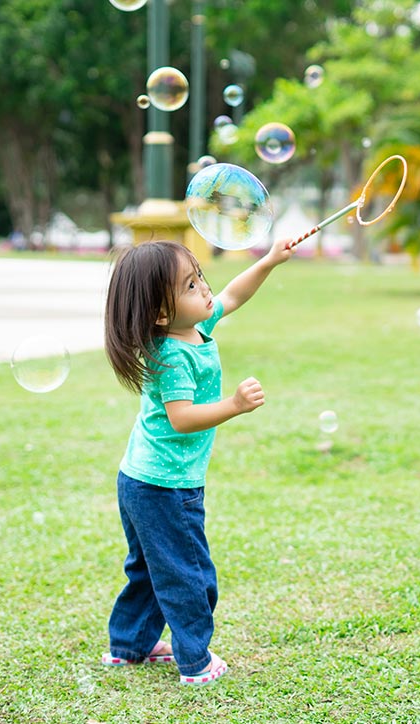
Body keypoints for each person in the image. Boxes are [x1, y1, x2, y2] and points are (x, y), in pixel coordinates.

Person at [101, 237, 293, 686]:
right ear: (162, 314)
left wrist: (269, 260)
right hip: (165, 487)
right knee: (189, 574)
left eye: (200, 276)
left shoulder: (196, 327)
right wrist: (235, 405)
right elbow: (182, 417)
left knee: (149, 569)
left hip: (141, 479)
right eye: (191, 285)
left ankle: (130, 645)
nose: (206, 289)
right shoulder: (171, 355)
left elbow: (234, 294)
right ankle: (195, 662)